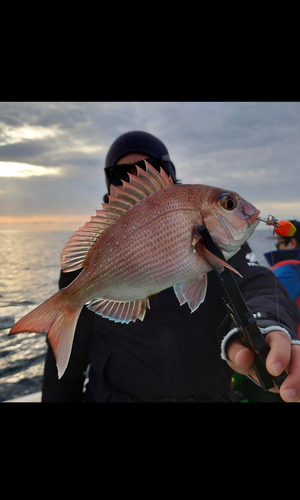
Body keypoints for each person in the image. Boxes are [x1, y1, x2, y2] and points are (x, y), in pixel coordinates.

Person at [42, 131, 300, 402]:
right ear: (110, 185)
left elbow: (255, 281)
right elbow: (64, 363)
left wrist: (267, 323)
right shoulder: (87, 263)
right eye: (122, 175)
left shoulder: (215, 244)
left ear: (170, 174)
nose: (137, 178)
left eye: (151, 169)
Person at [264, 220, 300, 337]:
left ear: (292, 243)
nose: (277, 247)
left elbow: (265, 304)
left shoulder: (290, 271)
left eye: (279, 242)